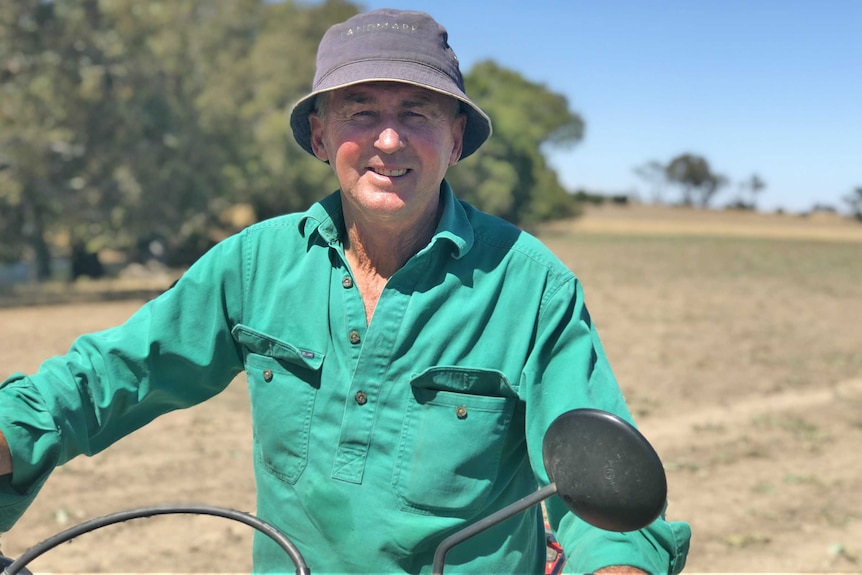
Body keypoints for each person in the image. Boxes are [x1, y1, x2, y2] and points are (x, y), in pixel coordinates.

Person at [0, 8, 690, 574]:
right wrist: (12, 432)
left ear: (455, 139)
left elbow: (599, 493)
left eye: (417, 112)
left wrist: (617, 566)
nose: (388, 138)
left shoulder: (530, 283)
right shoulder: (256, 263)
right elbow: (111, 373)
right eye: (360, 112)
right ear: (321, 136)